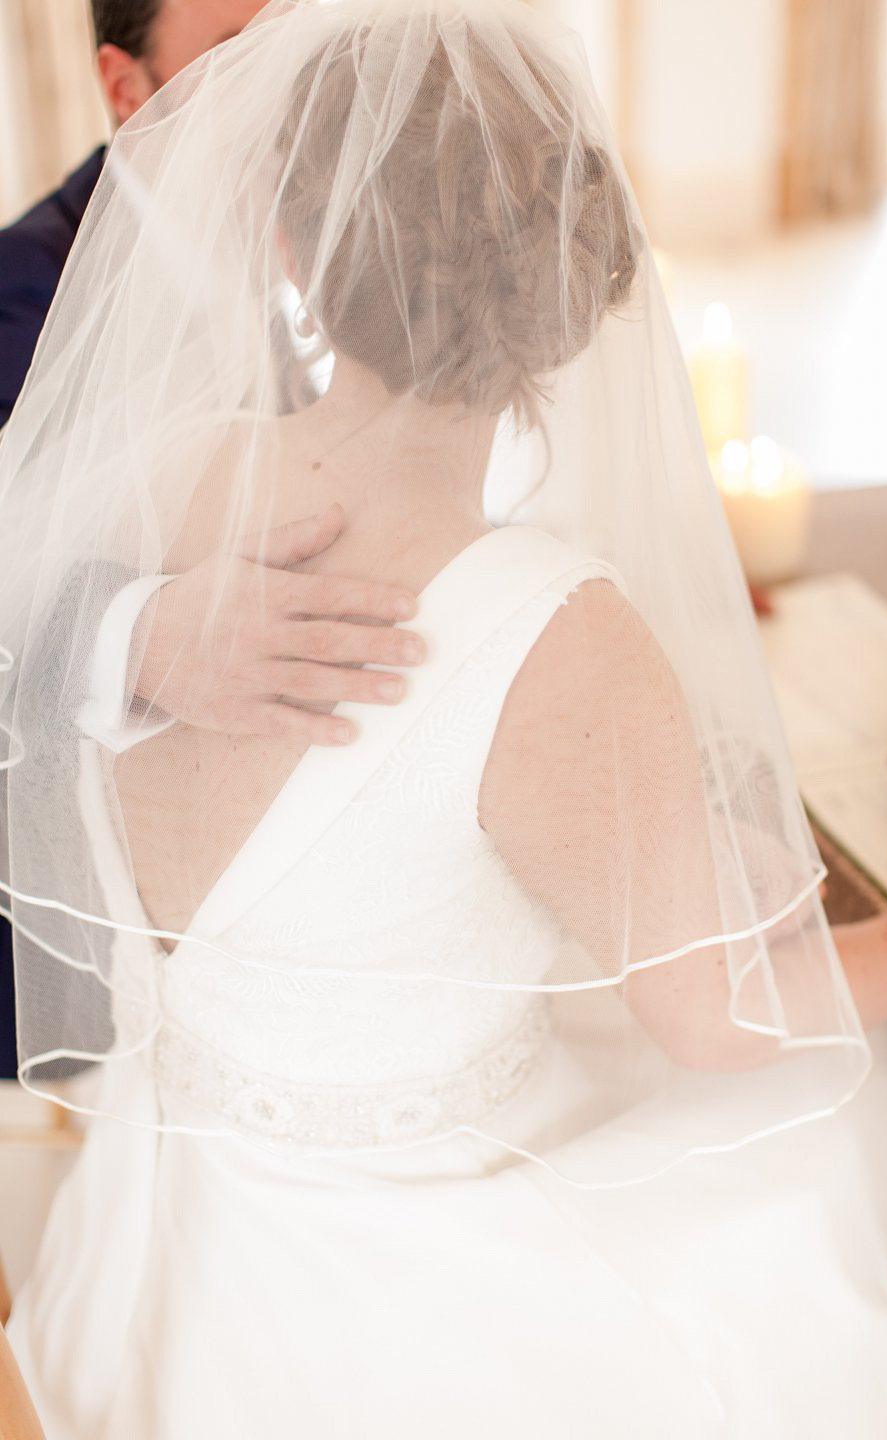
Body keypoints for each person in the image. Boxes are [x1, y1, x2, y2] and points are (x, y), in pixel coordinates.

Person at [1, 2, 887, 1434]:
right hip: (408, 1308)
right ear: (588, 283)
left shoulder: (163, 477)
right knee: (865, 1134)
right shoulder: (557, 623)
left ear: (289, 248)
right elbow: (715, 1018)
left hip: (176, 1247)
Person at [0, 0, 427, 1080]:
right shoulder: (19, 298)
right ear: (124, 87)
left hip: (292, 867)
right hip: (70, 931)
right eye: (242, 57)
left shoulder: (337, 236)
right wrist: (135, 638)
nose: (292, 86)